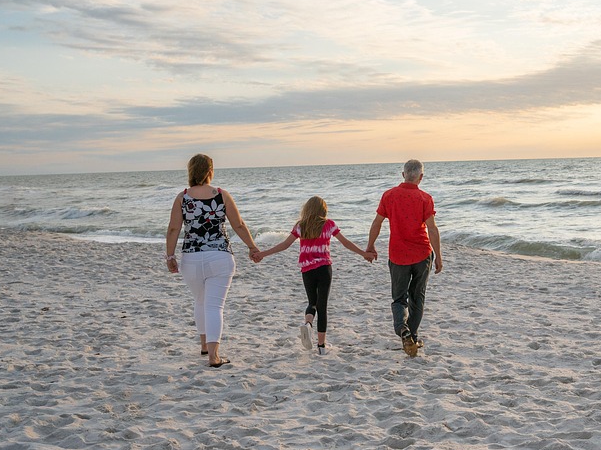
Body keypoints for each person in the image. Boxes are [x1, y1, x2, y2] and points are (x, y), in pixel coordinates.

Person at [165, 153, 260, 368]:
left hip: (191, 258)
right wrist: (252, 247)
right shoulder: (221, 195)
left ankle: (205, 346)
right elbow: (239, 225)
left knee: (200, 301)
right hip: (219, 256)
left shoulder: (183, 197)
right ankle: (214, 357)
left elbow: (173, 228)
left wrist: (170, 256)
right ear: (210, 171)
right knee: (214, 306)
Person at [251, 196, 375, 353]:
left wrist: (263, 254)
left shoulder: (300, 225)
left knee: (312, 302)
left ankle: (308, 324)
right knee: (322, 306)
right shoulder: (329, 224)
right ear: (323, 210)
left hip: (307, 270)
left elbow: (285, 245)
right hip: (324, 269)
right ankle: (321, 346)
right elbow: (346, 243)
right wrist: (363, 253)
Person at [366, 159, 443, 356]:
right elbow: (432, 230)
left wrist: (370, 245)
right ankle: (413, 338)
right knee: (417, 298)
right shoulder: (425, 198)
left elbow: (377, 223)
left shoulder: (389, 195)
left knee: (399, 298)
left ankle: (403, 330)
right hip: (421, 255)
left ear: (403, 175)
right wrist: (439, 257)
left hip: (398, 255)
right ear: (421, 177)